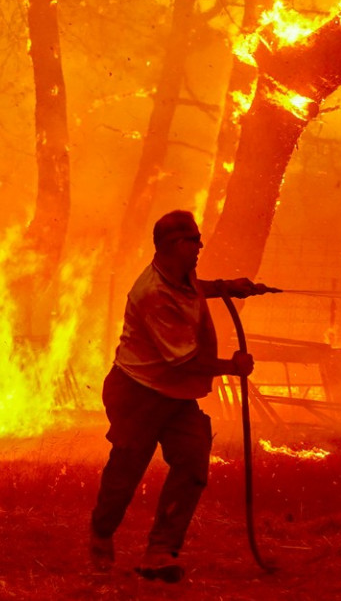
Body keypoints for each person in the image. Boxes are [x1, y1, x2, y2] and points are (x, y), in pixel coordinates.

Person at [89, 209, 273, 583]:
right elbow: (184, 362)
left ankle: (160, 550)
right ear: (173, 246)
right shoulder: (152, 294)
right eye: (194, 240)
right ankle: (101, 532)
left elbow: (192, 287)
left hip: (175, 397)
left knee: (191, 464)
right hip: (137, 394)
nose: (200, 246)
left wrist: (226, 287)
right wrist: (231, 366)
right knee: (127, 471)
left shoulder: (178, 272)